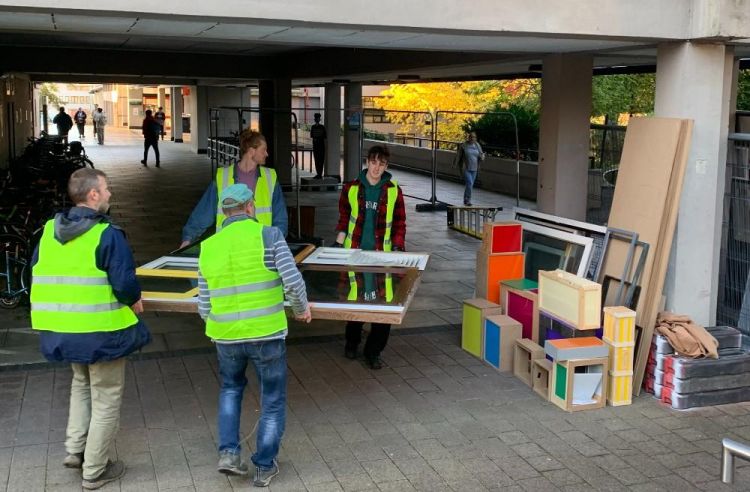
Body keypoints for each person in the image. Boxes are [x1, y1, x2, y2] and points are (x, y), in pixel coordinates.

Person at [30, 168, 151, 490]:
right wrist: (134, 299)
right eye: (107, 189)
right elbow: (124, 284)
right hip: (100, 330)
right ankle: (95, 469)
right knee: (106, 396)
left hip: (61, 327)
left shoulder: (47, 231)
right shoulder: (107, 234)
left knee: (80, 385)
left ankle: (75, 449)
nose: (110, 194)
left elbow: (39, 272)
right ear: (93, 195)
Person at [198, 183, 310, 487]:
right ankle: (263, 466)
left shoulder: (209, 246)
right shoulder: (269, 235)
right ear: (250, 208)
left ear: (224, 213)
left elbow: (204, 301)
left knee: (231, 389)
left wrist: (217, 321)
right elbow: (293, 281)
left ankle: (229, 454)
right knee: (272, 399)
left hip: (225, 336)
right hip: (267, 333)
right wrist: (301, 310)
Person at [334, 145, 406, 369]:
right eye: (374, 162)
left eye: (382, 163)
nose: (377, 168)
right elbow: (344, 217)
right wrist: (337, 244)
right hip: (354, 254)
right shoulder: (351, 188)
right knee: (356, 301)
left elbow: (400, 223)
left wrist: (397, 247)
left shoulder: (393, 190)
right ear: (367, 162)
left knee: (383, 305)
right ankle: (352, 342)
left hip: (381, 258)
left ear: (386, 166)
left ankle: (373, 351)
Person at [181, 129, 288, 247]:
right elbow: (203, 212)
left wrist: (277, 244)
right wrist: (188, 239)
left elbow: (280, 218)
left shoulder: (270, 177)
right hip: (229, 248)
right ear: (252, 151)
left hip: (259, 248)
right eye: (263, 150)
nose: (267, 154)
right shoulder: (222, 177)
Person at [453, 131, 486, 206]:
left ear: (476, 138)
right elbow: (458, 155)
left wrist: (482, 157)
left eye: (474, 137)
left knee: (470, 185)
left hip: (474, 168)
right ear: (468, 137)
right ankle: (468, 200)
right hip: (465, 168)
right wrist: (455, 164)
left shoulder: (477, 145)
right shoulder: (464, 145)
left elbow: (481, 155)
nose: (472, 138)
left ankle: (465, 199)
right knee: (470, 183)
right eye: (471, 136)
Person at [310, 112, 326, 178]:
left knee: (321, 160)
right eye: (316, 118)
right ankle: (318, 173)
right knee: (317, 160)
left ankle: (320, 174)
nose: (317, 119)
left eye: (318, 118)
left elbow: (324, 136)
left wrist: (317, 138)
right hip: (316, 146)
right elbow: (312, 135)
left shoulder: (322, 127)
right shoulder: (313, 127)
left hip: (321, 146)